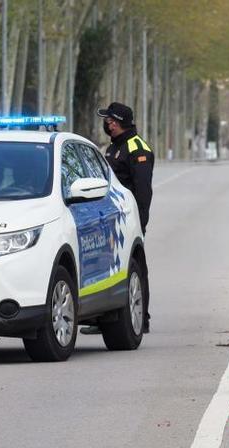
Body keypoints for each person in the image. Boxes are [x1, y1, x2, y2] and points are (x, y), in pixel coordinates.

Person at [96, 102, 154, 332]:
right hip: (112, 216)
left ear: (117, 122)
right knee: (114, 267)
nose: (106, 124)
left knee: (134, 267)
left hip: (128, 217)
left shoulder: (136, 148)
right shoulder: (114, 147)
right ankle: (110, 316)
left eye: (109, 120)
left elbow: (143, 190)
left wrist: (140, 221)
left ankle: (143, 318)